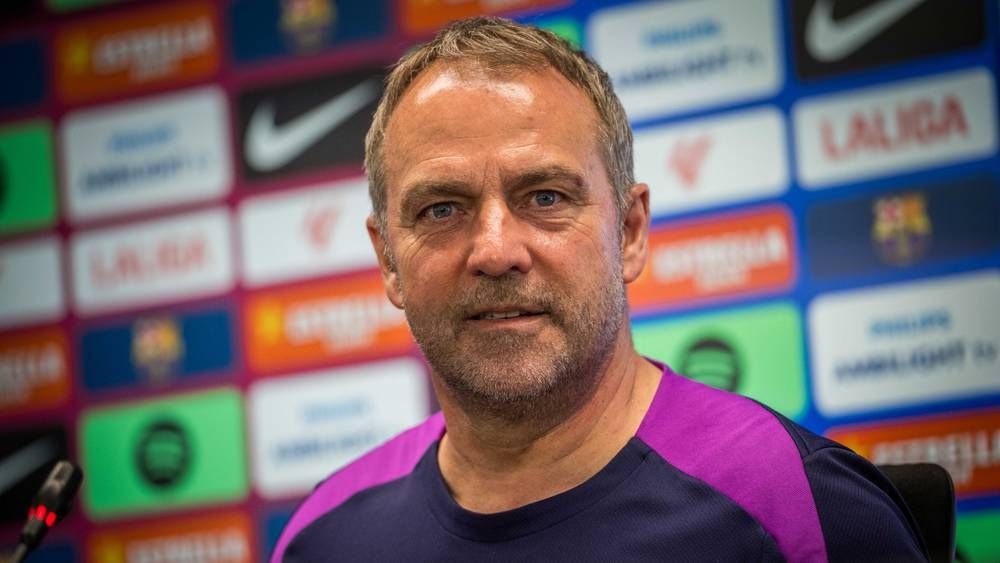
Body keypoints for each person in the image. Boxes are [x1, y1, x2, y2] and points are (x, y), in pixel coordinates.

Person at [271, 16, 927, 562]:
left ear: (630, 231)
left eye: (545, 197)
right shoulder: (322, 539)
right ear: (388, 259)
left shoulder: (799, 508)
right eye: (441, 209)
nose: (496, 251)